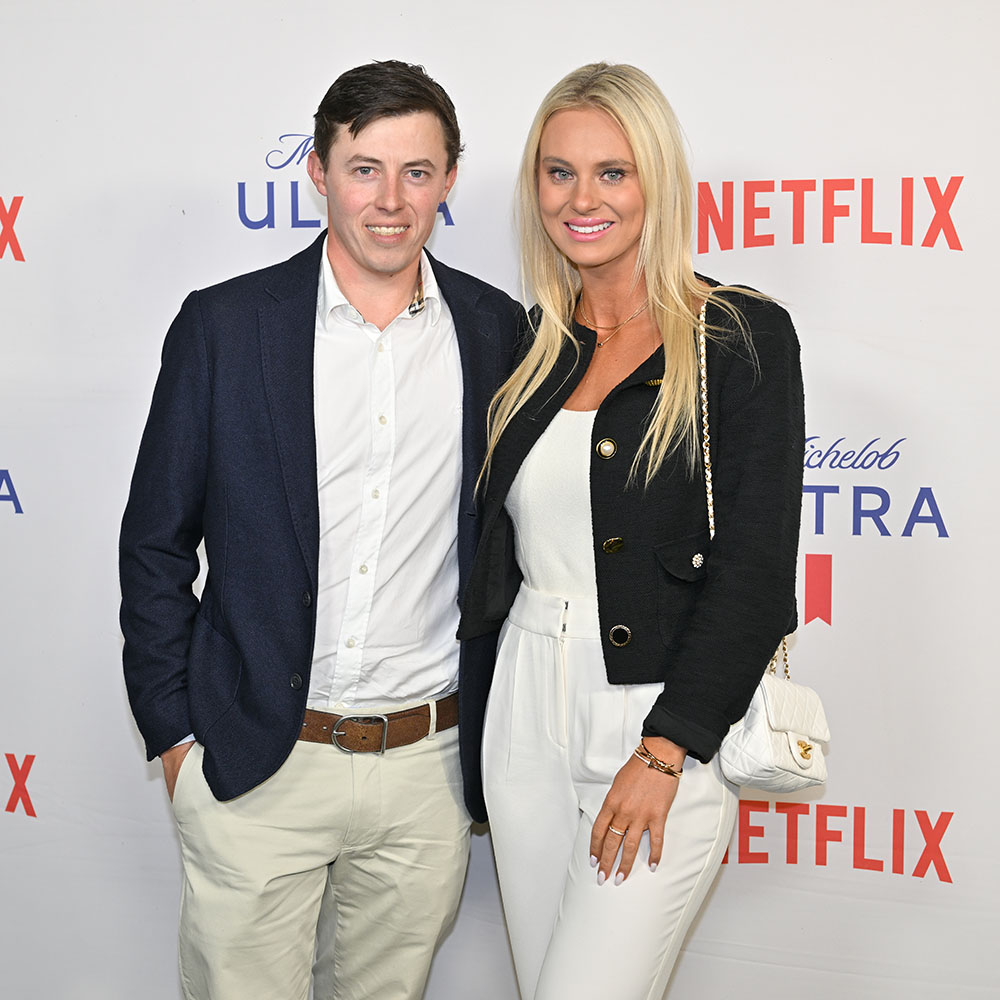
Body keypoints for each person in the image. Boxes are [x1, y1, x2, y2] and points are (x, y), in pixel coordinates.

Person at [120, 60, 522, 1000]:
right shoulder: (225, 326)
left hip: (426, 773)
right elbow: (155, 543)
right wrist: (175, 735)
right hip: (257, 762)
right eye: (365, 168)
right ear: (318, 170)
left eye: (417, 172)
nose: (391, 200)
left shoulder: (497, 332)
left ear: (451, 180)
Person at [457, 63, 804, 1000]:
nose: (582, 198)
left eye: (613, 172)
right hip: (524, 705)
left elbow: (759, 572)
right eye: (558, 171)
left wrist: (667, 748)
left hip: (656, 717)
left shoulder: (736, 337)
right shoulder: (528, 347)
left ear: (658, 181)